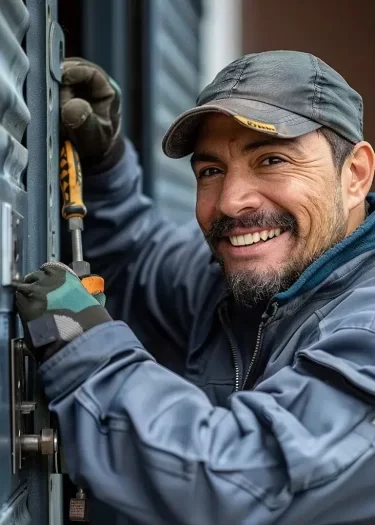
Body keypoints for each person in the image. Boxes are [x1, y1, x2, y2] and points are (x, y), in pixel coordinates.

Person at [14, 51, 375, 524]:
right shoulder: (245, 280)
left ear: (355, 175)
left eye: (271, 159)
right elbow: (138, 260)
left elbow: (233, 487)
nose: (231, 201)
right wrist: (104, 168)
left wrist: (84, 354)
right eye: (211, 170)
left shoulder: (364, 330)